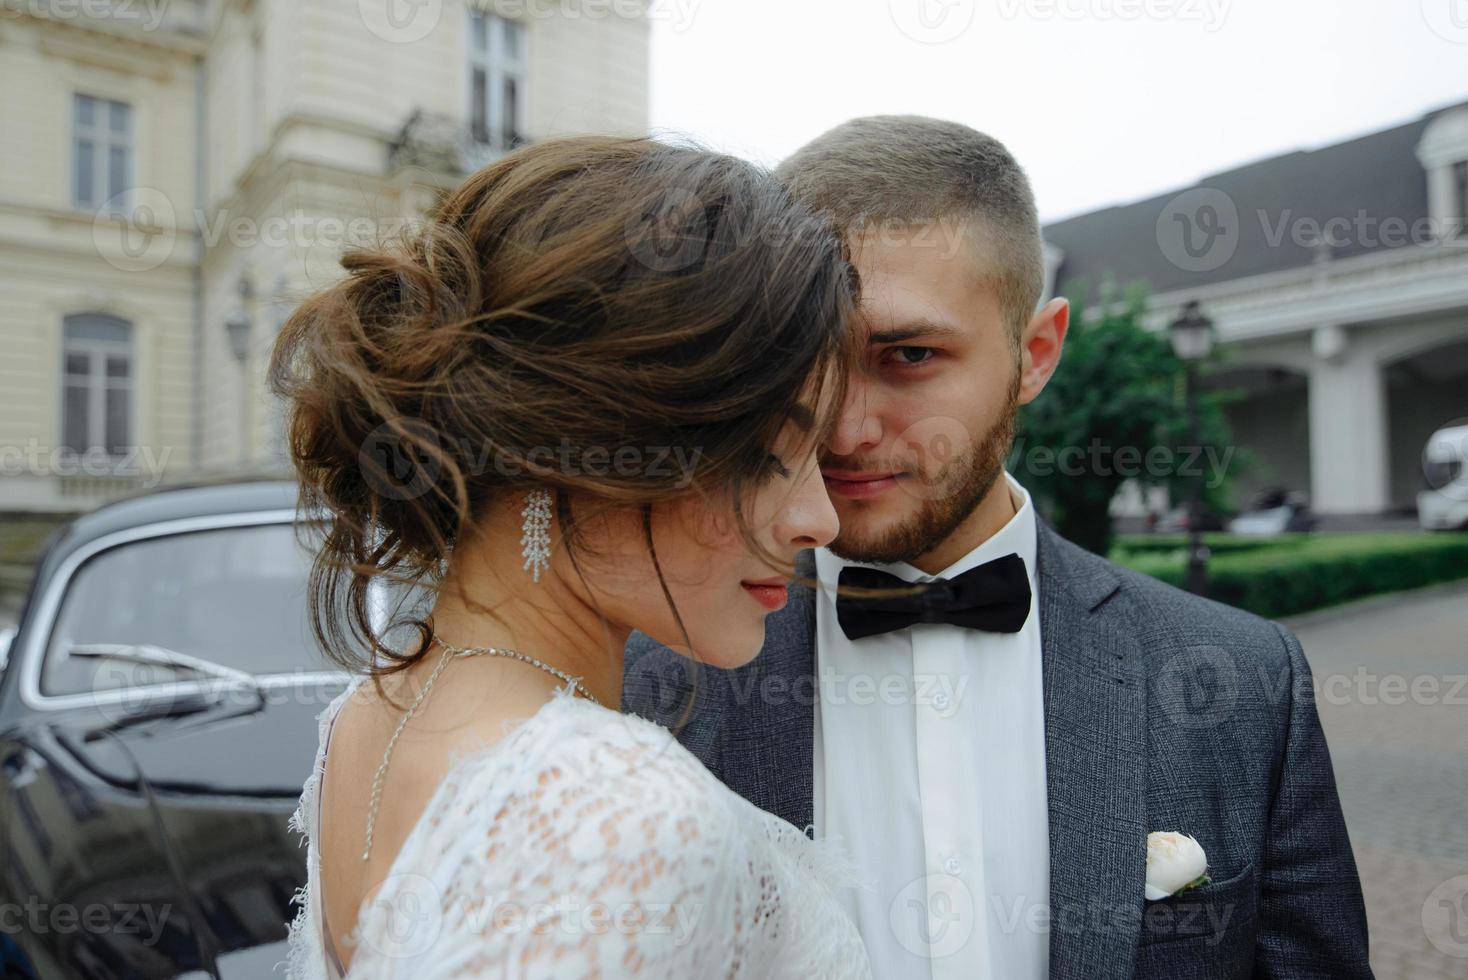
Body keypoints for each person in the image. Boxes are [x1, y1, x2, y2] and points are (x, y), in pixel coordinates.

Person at [624, 116, 1373, 979]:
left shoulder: (1245, 681)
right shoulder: (652, 680)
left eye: (907, 354)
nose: (843, 428)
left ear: (1035, 354)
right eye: (803, 358)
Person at [272, 135, 873, 978]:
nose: (820, 520)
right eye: (765, 455)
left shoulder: (367, 718)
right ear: (578, 444)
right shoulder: (624, 817)